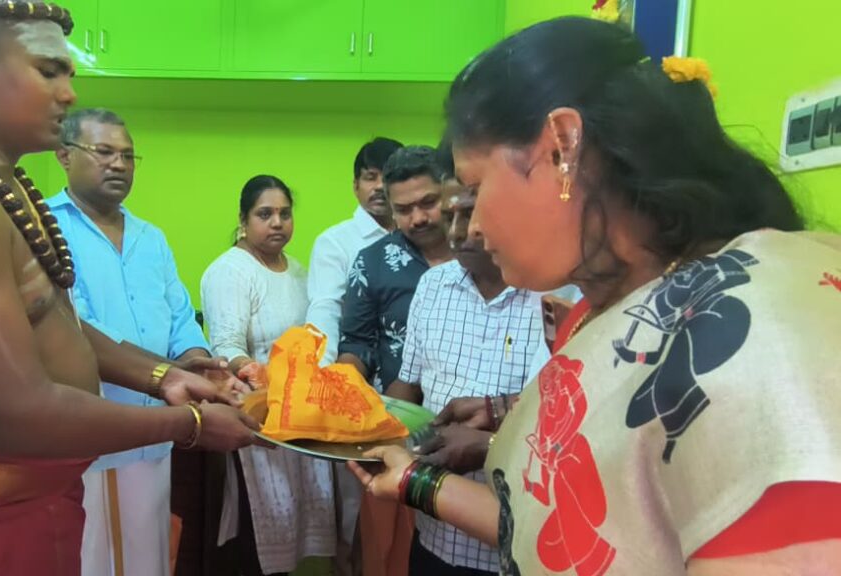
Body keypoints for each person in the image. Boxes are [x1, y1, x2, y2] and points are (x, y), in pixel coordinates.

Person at [352, 16, 841, 575]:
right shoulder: (596, 315)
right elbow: (568, 530)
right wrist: (413, 479)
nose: (473, 226)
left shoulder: (757, 338)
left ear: (562, 147)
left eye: (476, 188)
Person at [0, 4, 256, 575]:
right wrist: (190, 425)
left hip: (27, 503)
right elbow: (19, 415)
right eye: (48, 70)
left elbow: (52, 322)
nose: (69, 93)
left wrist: (164, 376)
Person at [48, 107, 219, 576]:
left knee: (150, 559)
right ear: (64, 156)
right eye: (104, 152)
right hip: (92, 435)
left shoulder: (151, 238)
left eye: (128, 155)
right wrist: (174, 375)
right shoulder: (47, 227)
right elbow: (76, 328)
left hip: (156, 433)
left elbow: (180, 316)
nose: (119, 165)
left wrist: (199, 360)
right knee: (92, 561)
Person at [387, 180, 552, 576]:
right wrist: (363, 433)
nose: (458, 231)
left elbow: (561, 426)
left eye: (474, 214)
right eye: (450, 216)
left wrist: (489, 445)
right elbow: (408, 386)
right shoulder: (433, 286)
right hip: (433, 528)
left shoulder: (554, 296)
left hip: (512, 548)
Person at [201, 176, 336, 575]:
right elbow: (226, 346)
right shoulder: (230, 271)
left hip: (300, 416)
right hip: (256, 417)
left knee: (295, 528)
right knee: (257, 535)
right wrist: (262, 381)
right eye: (265, 214)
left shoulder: (298, 271)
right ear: (243, 220)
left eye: (285, 213)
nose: (277, 222)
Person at [304, 136, 403, 576]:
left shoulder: (420, 235)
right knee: (355, 506)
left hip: (411, 393)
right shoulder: (337, 242)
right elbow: (325, 308)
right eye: (369, 177)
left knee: (407, 509)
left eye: (387, 176)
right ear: (355, 185)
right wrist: (330, 380)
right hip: (355, 387)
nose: (378, 186)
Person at [337, 145, 452, 389]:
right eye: (403, 209)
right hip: (396, 404)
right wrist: (345, 387)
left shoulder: (483, 254)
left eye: (428, 202)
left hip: (478, 405)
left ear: (450, 192)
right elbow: (356, 344)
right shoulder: (372, 263)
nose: (418, 218)